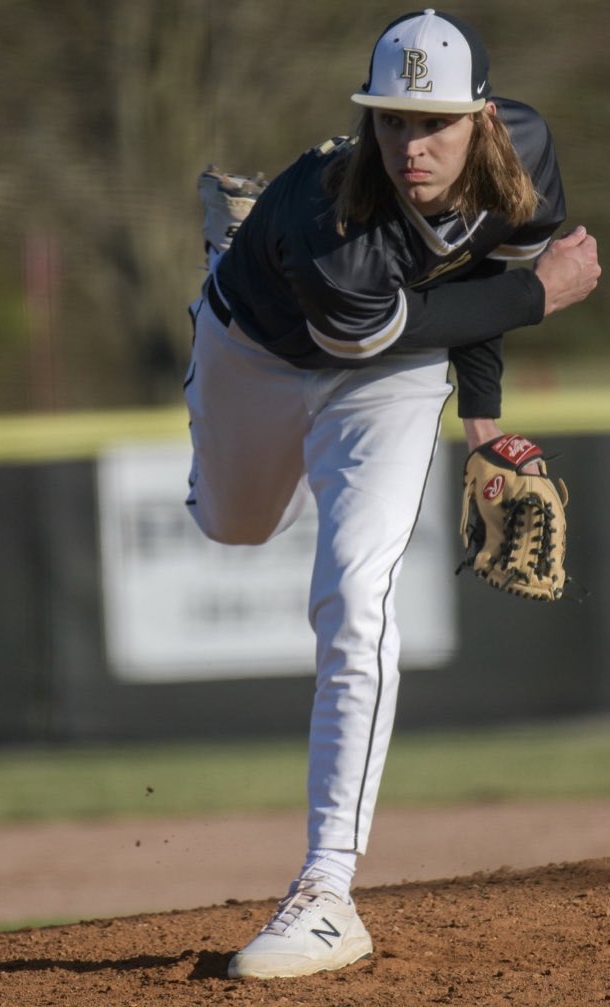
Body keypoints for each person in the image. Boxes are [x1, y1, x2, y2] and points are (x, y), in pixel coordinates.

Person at [183, 7, 600, 980]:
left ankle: (325, 890)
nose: (411, 145)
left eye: (435, 123)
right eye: (391, 121)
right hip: (264, 341)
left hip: (387, 375)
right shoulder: (332, 222)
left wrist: (484, 423)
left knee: (354, 597)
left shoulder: (525, 154)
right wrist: (544, 293)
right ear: (366, 121)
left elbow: (481, 263)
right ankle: (224, 252)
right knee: (234, 525)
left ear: (484, 119)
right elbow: (449, 304)